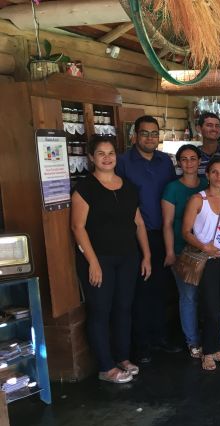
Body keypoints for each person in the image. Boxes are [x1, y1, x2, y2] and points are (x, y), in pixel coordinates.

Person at [71, 135, 151, 383]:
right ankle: (106, 367)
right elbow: (78, 227)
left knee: (124, 308)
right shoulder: (85, 188)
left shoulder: (127, 186)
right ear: (91, 158)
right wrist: (93, 262)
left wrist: (146, 254)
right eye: (101, 154)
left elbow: (138, 222)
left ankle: (122, 357)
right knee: (100, 310)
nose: (107, 158)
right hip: (100, 258)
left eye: (111, 153)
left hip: (127, 256)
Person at [116, 115, 180, 362]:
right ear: (135, 136)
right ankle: (141, 344)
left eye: (154, 134)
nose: (150, 138)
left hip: (163, 234)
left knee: (161, 289)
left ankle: (160, 337)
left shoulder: (165, 161)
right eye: (145, 133)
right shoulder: (122, 162)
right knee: (140, 290)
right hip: (135, 236)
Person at [182, 159, 220, 371]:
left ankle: (216, 348)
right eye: (214, 172)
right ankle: (208, 352)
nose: (218, 176)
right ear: (207, 175)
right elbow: (186, 231)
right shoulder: (197, 200)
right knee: (210, 307)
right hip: (207, 260)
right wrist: (204, 247)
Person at [161, 145, 208, 358]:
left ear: (199, 161)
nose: (189, 163)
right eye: (184, 159)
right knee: (188, 296)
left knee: (208, 296)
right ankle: (192, 341)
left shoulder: (208, 184)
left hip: (208, 250)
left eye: (193, 158)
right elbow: (168, 223)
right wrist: (170, 252)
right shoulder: (172, 188)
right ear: (179, 163)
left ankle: (209, 336)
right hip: (183, 249)